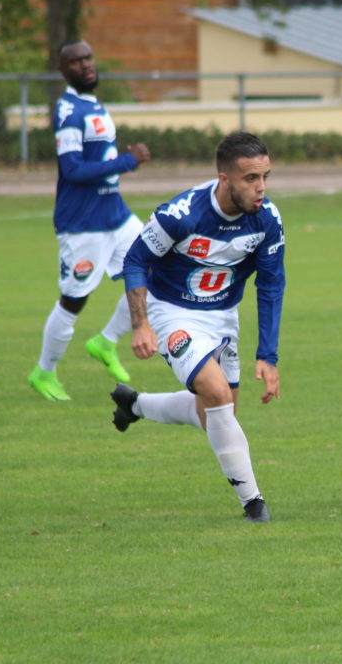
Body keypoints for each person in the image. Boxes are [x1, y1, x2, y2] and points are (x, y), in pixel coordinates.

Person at [109, 131, 285, 523]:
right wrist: (140, 325)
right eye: (251, 179)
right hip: (171, 311)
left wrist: (267, 356)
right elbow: (135, 260)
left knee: (216, 413)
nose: (261, 189)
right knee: (216, 393)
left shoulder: (267, 220)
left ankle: (133, 404)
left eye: (266, 177)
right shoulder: (181, 214)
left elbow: (272, 285)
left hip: (223, 317)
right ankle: (253, 503)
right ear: (225, 179)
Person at [28, 40, 152, 401]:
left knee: (157, 269)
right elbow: (73, 169)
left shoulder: (91, 103)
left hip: (116, 215)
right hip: (84, 224)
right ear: (63, 70)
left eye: (88, 58)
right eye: (76, 61)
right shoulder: (68, 112)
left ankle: (105, 341)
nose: (86, 65)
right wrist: (126, 162)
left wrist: (119, 162)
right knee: (73, 301)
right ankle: (43, 372)